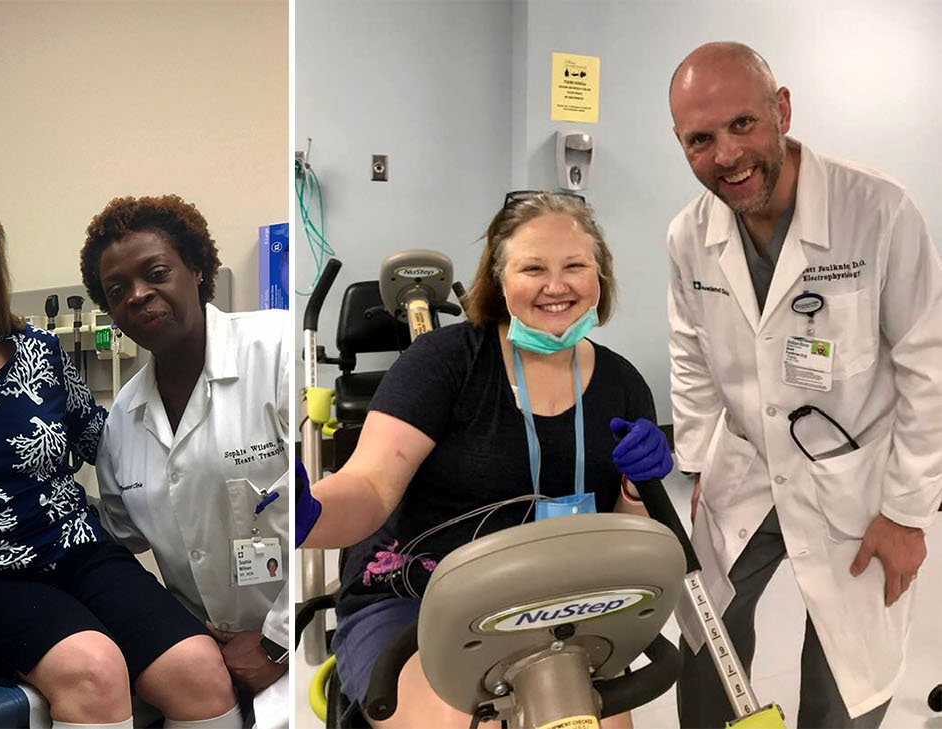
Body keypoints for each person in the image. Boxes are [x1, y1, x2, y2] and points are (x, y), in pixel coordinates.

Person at [297, 192, 673, 728]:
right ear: (499, 280)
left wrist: (637, 491)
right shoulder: (444, 365)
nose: (556, 285)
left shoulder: (622, 385)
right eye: (533, 268)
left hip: (556, 603)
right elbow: (371, 488)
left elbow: (623, 535)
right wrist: (307, 509)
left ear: (600, 277)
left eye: (575, 266)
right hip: (416, 602)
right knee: (464, 720)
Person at [0, 181, 240, 729]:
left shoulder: (39, 352)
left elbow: (109, 438)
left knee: (198, 667)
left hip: (72, 551)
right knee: (93, 671)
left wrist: (214, 453)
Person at [666, 42, 942, 729]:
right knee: (706, 635)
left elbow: (929, 368)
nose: (726, 155)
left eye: (742, 125)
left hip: (856, 481)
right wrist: (697, 458)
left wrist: (909, 511)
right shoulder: (687, 236)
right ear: (682, 144)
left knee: (845, 671)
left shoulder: (877, 211)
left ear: (781, 109)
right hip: (746, 466)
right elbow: (690, 354)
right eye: (701, 139)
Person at [82, 195, 291, 729]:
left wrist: (277, 642)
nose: (139, 296)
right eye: (117, 290)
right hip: (207, 666)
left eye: (156, 273)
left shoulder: (277, 350)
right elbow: (118, 550)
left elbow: (341, 515)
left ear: (197, 269)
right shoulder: (123, 421)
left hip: (305, 643)